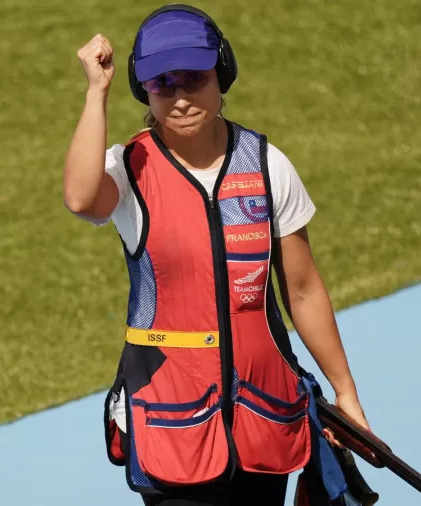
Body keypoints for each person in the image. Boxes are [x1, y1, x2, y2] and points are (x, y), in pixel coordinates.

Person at [62, 4, 370, 505]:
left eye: (194, 79)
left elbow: (303, 287)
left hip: (265, 416)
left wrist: (346, 394)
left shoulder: (268, 164)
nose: (181, 97)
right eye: (163, 84)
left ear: (220, 76)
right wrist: (97, 91)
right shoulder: (127, 168)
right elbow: (79, 198)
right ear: (145, 91)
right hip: (171, 421)